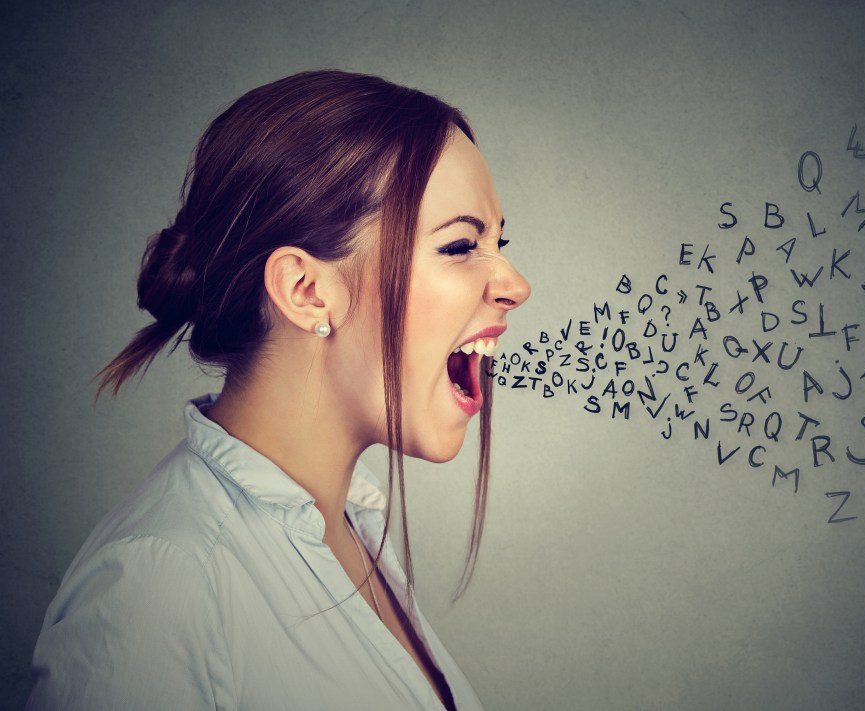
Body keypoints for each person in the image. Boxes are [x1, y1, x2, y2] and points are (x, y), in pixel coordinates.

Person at [27, 70, 530, 710]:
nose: (515, 283)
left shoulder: (349, 526)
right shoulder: (159, 591)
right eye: (461, 245)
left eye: (498, 241)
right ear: (306, 291)